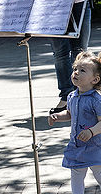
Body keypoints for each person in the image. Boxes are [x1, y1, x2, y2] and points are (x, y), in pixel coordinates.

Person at [49, 0, 101, 114]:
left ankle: (82, 95)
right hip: (53, 3)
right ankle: (66, 97)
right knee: (60, 53)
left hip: (80, 2)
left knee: (80, 52)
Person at [48, 51, 101, 194]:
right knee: (76, 175)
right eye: (75, 69)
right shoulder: (72, 96)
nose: (76, 72)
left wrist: (91, 131)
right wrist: (58, 116)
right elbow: (70, 114)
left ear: (95, 80)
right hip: (77, 145)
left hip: (95, 146)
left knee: (99, 174)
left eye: (82, 70)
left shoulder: (96, 100)